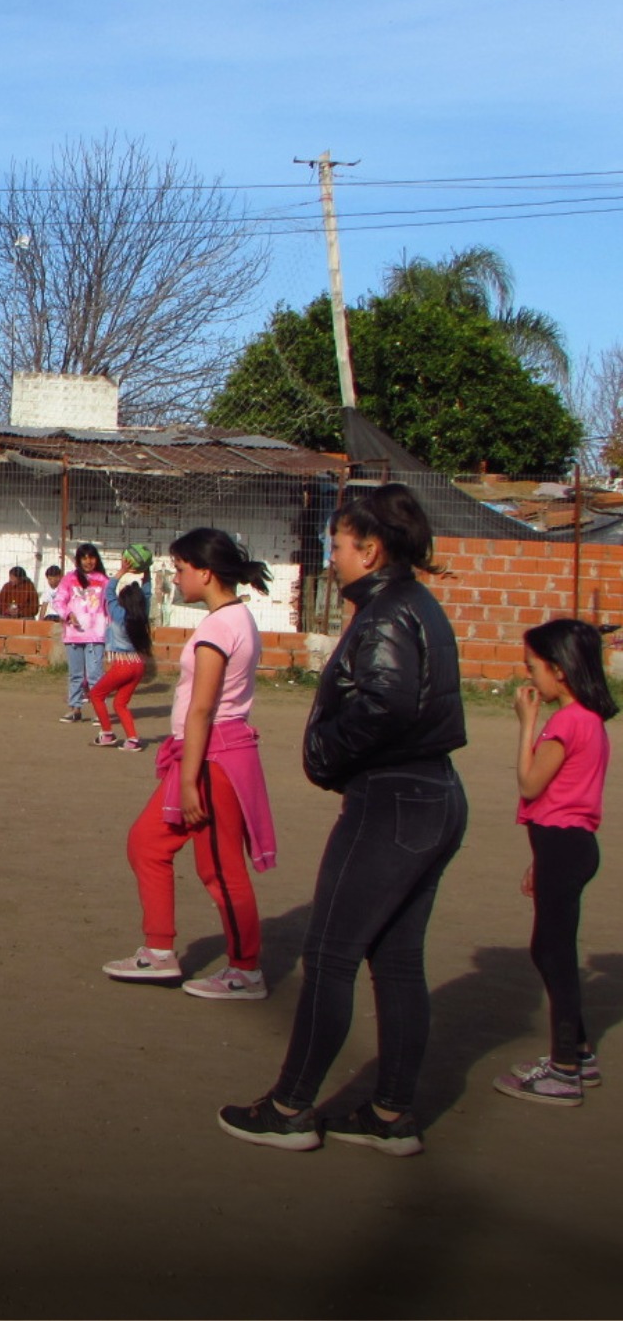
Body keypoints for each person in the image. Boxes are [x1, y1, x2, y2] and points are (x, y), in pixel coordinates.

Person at [220, 483, 466, 1157]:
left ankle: (290, 1107)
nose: (331, 557)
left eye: (337, 545)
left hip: (392, 800)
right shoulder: (414, 603)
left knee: (330, 956)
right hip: (432, 793)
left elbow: (386, 704)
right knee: (398, 962)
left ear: (372, 549)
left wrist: (326, 752)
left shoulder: (388, 611)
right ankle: (391, 1113)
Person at [103, 530, 276, 1000]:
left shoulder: (220, 628)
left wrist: (190, 780)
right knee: (147, 842)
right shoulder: (234, 618)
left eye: (180, 569)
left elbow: (202, 709)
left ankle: (245, 970)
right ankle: (159, 950)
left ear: (206, 572)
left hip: (214, 758)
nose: (175, 579)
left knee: (219, 867)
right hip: (209, 753)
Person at [493, 618, 615, 1107]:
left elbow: (530, 784)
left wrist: (527, 724)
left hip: (564, 847)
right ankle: (578, 1051)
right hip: (566, 848)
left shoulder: (566, 722)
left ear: (559, 670)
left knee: (554, 952)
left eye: (534, 667)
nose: (530, 677)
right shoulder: (589, 720)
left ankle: (564, 1070)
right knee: (549, 949)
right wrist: (540, 861)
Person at [89, 545, 153, 751]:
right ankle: (132, 739)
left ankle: (107, 734)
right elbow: (147, 592)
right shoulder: (142, 614)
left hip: (123, 664)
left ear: (124, 601)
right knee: (120, 704)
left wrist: (122, 570)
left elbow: (108, 591)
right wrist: (146, 570)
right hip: (138, 664)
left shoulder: (119, 614)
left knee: (96, 695)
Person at [51, 543, 109, 722]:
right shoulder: (69, 579)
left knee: (95, 676)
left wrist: (112, 630)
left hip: (96, 635)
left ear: (96, 559)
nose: (88, 561)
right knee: (75, 675)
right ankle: (75, 709)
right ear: (78, 560)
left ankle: (100, 712)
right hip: (73, 634)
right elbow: (58, 601)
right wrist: (68, 615)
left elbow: (109, 606)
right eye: (84, 558)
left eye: (91, 557)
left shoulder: (103, 580)